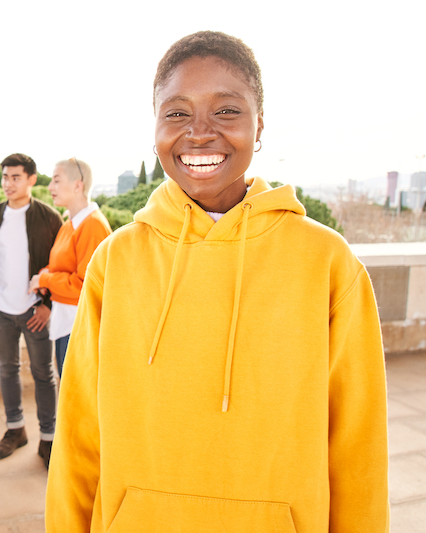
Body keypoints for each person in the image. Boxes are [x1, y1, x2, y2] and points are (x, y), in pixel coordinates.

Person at [45, 31, 389, 532]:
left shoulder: (328, 262)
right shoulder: (114, 262)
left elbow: (358, 452)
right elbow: (78, 436)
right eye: (177, 113)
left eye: (226, 111)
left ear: (259, 126)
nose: (200, 132)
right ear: (156, 127)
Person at [0, 153, 62, 468]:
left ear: (31, 180)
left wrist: (47, 305)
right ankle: (15, 430)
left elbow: (59, 265)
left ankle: (49, 438)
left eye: (15, 177)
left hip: (35, 311)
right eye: (5, 177)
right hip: (0, 310)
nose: (8, 184)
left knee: (44, 374)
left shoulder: (50, 218)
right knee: (7, 369)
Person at [28, 158, 111, 377]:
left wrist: (43, 280)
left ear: (78, 185)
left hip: (80, 325)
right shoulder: (69, 225)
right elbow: (61, 266)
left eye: (56, 180)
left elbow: (84, 286)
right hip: (65, 321)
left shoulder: (93, 225)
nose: (50, 187)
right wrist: (46, 273)